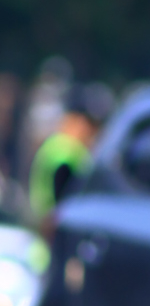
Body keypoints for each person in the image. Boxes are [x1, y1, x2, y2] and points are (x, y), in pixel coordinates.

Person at [28, 87, 104, 232]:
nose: (92, 132)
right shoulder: (68, 149)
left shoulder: (54, 143)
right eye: (89, 124)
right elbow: (63, 185)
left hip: (43, 220)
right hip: (55, 224)